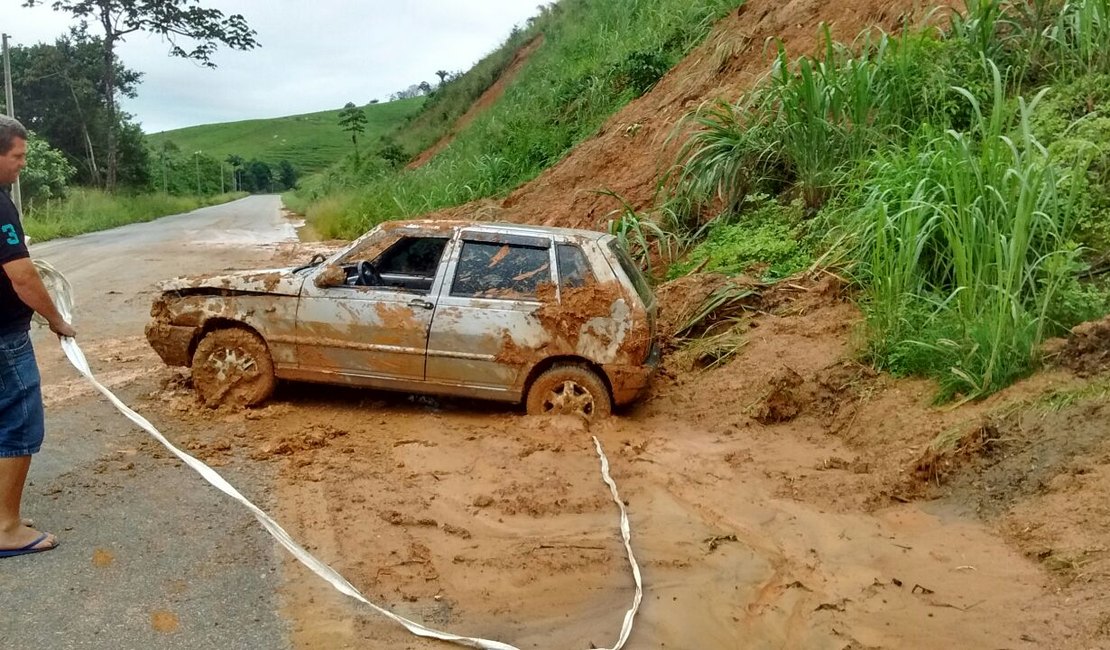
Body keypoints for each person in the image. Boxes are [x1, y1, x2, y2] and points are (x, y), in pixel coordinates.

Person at [0, 115, 76, 558]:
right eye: (17, 156)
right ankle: (6, 528)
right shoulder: (0, 205)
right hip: (4, 337)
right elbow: (23, 277)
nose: (23, 164)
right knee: (19, 423)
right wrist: (56, 319)